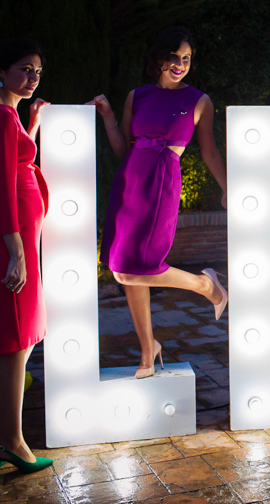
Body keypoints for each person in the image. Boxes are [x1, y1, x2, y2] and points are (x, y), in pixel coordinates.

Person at [89, 27, 228, 379]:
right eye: (175, 57)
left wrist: (228, 188)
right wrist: (107, 116)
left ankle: (206, 285)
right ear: (160, 58)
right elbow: (123, 149)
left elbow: (209, 151)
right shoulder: (137, 96)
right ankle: (148, 348)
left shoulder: (199, 101)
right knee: (125, 269)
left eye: (187, 59)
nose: (180, 64)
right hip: (129, 182)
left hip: (162, 182)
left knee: (138, 265)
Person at [0, 38, 54, 474]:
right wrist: (17, 252)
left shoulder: (2, 113)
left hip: (14, 238)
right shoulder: (1, 117)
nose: (33, 77)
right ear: (1, 71)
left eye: (38, 71)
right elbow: (3, 188)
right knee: (15, 341)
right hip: (10, 240)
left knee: (18, 337)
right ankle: (12, 443)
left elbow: (14, 157)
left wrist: (31, 121)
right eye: (25, 69)